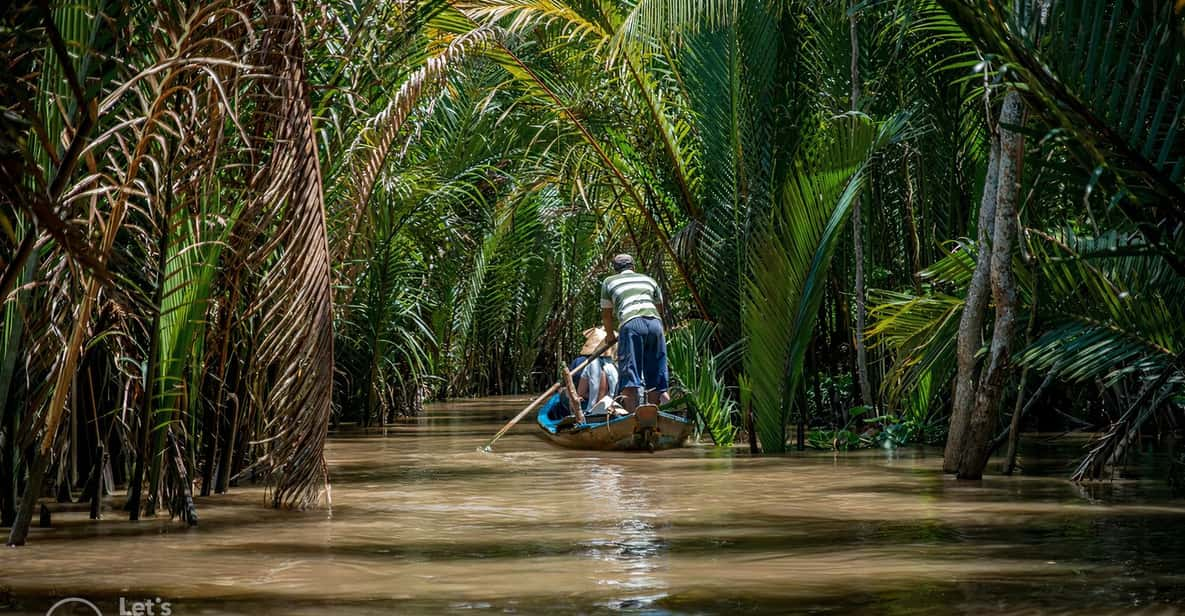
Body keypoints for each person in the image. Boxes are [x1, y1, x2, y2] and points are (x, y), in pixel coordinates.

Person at [600, 253, 668, 412]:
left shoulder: (609, 282)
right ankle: (654, 416)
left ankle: (633, 418)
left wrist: (610, 337)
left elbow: (606, 314)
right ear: (633, 267)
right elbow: (659, 309)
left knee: (629, 377)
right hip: (655, 324)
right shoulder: (649, 280)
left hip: (631, 325)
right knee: (656, 376)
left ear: (615, 269)